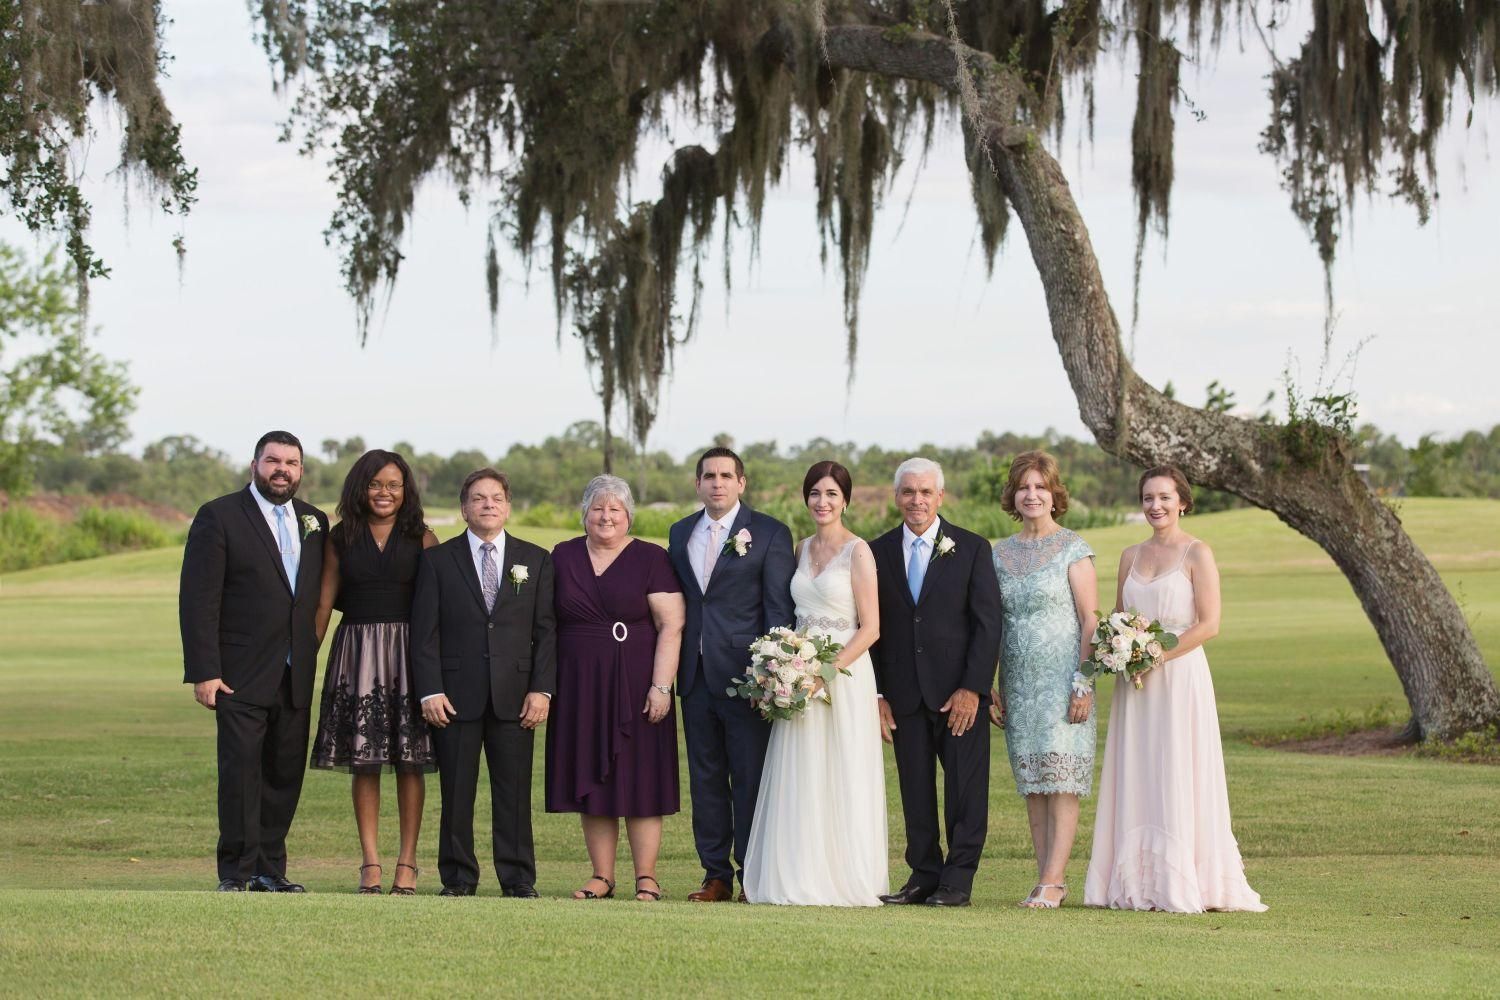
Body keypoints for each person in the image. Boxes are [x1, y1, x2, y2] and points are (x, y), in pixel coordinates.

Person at [1084, 466, 1267, 913]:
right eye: (1148, 497)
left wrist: (1158, 655)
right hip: (1136, 685)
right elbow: (1120, 616)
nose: (1155, 506)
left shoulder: (1197, 553)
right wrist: (1120, 647)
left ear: (1182, 501)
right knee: (1138, 766)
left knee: (1178, 765)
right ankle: (1136, 881)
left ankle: (1188, 879)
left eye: (1165, 497)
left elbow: (1210, 624)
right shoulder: (1129, 555)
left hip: (1180, 677)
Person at [179, 430, 328, 892]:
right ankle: (236, 872)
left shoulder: (314, 520)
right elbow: (198, 599)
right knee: (241, 774)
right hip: (238, 674)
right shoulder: (219, 516)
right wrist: (205, 670)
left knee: (284, 775)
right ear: (255, 465)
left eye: (292, 463)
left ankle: (270, 870)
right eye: (273, 461)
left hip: (294, 672)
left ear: (301, 471)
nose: (282, 469)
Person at [743, 461, 888, 906]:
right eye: (814, 494)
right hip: (798, 671)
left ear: (845, 499)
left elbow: (871, 627)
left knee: (842, 768)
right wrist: (786, 664)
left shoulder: (858, 551)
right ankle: (799, 871)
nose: (821, 502)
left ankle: (846, 874)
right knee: (801, 769)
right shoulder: (800, 547)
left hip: (842, 673)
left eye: (830, 494)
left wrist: (824, 674)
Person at [411, 468, 557, 898]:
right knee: (456, 794)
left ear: (508, 506)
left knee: (513, 796)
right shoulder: (437, 561)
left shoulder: (536, 559)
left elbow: (547, 631)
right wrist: (430, 689)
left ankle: (517, 879)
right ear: (463, 509)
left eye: (496, 497)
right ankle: (458, 878)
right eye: (478, 498)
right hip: (454, 697)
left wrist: (541, 688)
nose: (488, 504)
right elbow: (424, 634)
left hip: (516, 697)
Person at [545, 475, 686, 902]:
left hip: (638, 679)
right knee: (594, 777)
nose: (606, 516)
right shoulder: (563, 556)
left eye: (616, 510)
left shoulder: (651, 557)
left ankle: (647, 876)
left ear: (629, 516)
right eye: (597, 508)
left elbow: (672, 624)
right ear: (584, 514)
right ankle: (601, 876)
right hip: (579, 684)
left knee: (642, 778)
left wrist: (661, 686)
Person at [870, 456, 1003, 908]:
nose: (917, 500)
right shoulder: (876, 552)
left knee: (966, 791)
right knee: (915, 791)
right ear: (896, 497)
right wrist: (879, 694)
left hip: (958, 694)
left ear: (941, 496)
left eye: (926, 492)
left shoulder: (971, 548)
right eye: (908, 491)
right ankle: (923, 874)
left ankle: (958, 880)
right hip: (904, 694)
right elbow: (872, 628)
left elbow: (988, 624)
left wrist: (974, 688)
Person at [667, 446, 796, 902]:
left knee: (749, 779)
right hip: (695, 675)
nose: (717, 483)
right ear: (697, 483)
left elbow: (777, 610)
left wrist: (771, 674)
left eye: (726, 475)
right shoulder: (680, 532)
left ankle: (753, 876)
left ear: (742, 483)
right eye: (709, 476)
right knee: (705, 779)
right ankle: (715, 874)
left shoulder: (769, 533)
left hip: (747, 677)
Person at [309, 449, 440, 894]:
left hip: (409, 655)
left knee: (411, 763)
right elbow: (324, 604)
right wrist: (303, 660)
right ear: (359, 488)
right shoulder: (340, 538)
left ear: (406, 491)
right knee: (364, 763)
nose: (384, 493)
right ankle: (370, 863)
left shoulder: (423, 538)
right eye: (375, 484)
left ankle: (407, 862)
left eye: (393, 485)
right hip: (356, 653)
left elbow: (437, 611)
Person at [988, 451, 1098, 909]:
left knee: (1061, 779)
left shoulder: (1074, 548)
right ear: (1013, 495)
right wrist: (990, 683)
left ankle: (1055, 882)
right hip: (1017, 680)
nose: (1032, 495)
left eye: (1040, 487)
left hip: (1062, 680)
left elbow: (1091, 621)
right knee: (1034, 781)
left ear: (1055, 494)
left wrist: (1084, 682)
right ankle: (1043, 879)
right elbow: (993, 624)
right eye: (1024, 487)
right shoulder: (999, 552)